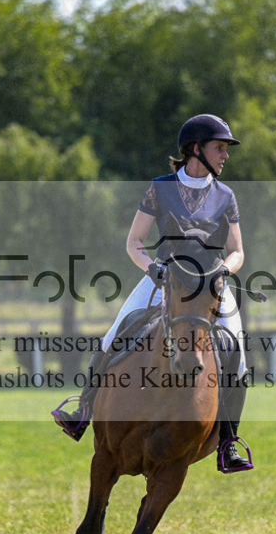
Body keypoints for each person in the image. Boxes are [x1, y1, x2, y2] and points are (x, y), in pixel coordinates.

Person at [52, 114, 253, 473]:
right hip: (163, 277)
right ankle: (82, 411)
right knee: (113, 335)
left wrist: (225, 270)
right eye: (219, 148)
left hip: (210, 283)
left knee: (236, 354)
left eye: (225, 149)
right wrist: (152, 269)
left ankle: (228, 442)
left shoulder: (226, 195)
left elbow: (237, 250)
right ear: (196, 149)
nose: (225, 155)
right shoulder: (160, 188)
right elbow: (134, 242)